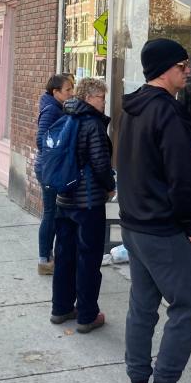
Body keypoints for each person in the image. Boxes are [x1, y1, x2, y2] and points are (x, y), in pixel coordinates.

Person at [117, 38, 191, 383]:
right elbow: (183, 178)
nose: (187, 71)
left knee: (142, 305)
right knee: (188, 309)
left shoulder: (131, 107)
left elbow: (122, 162)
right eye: (183, 65)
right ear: (166, 68)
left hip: (133, 225)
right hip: (164, 230)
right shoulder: (169, 112)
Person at [50, 77, 115, 333]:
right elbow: (100, 163)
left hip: (64, 198)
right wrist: (110, 185)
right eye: (101, 98)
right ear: (89, 97)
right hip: (87, 202)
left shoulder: (66, 117)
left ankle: (61, 308)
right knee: (88, 258)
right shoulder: (92, 124)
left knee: (64, 256)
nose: (104, 102)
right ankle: (87, 315)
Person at [34, 73, 75, 275]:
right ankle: (44, 260)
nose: (71, 93)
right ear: (55, 92)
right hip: (49, 169)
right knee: (51, 213)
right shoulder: (51, 109)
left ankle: (48, 257)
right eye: (68, 90)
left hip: (51, 167)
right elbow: (42, 140)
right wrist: (60, 150)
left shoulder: (57, 107)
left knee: (54, 213)